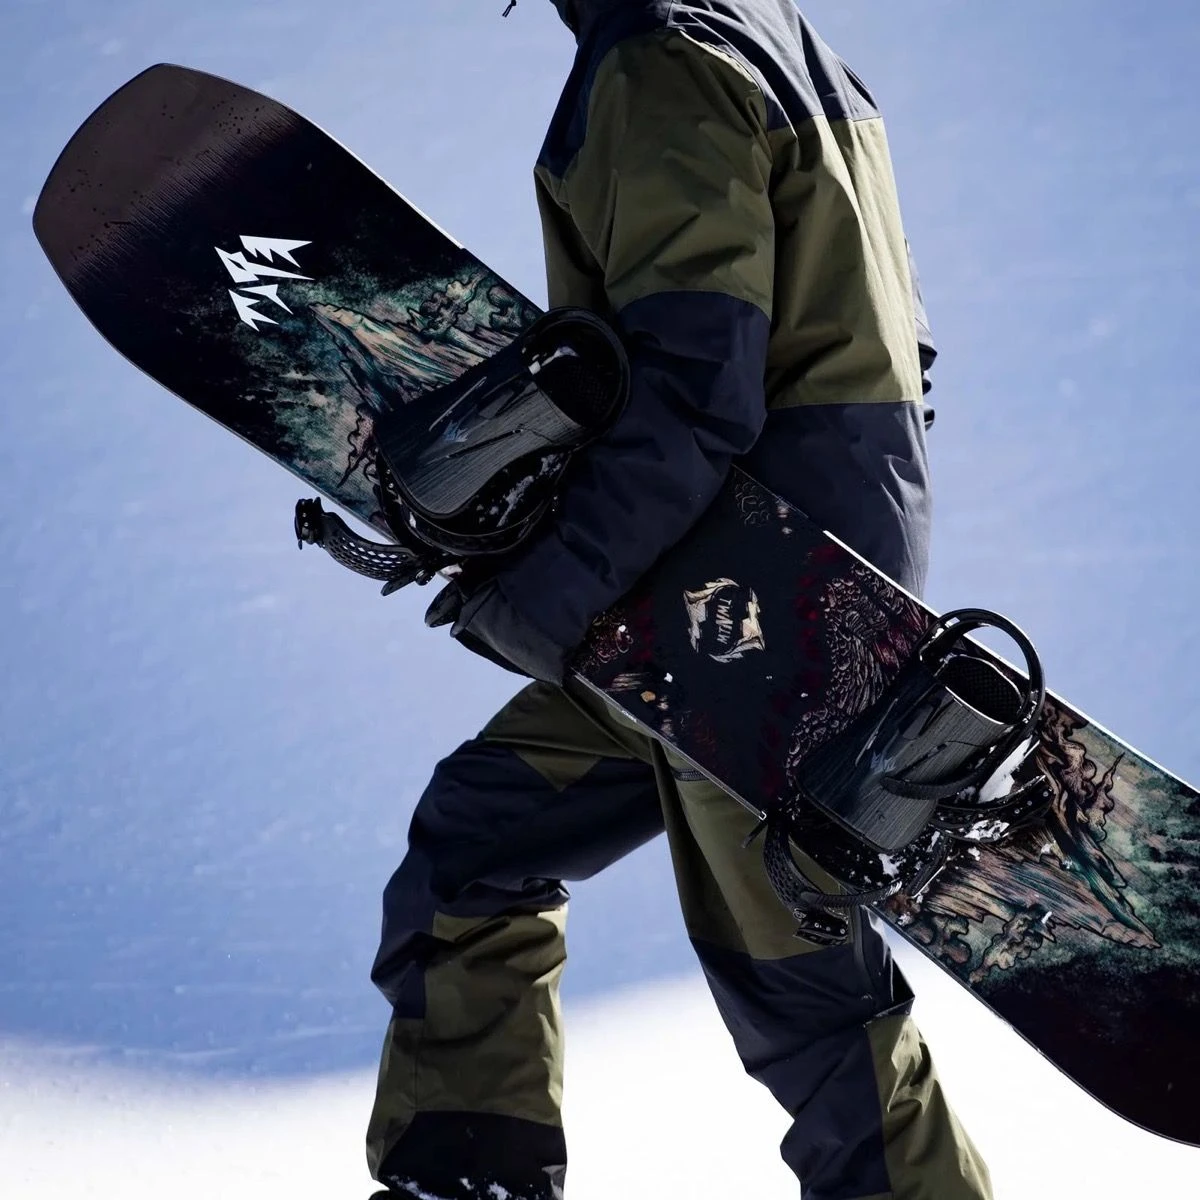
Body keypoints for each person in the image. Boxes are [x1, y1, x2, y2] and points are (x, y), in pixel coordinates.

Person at [367, 1, 992, 1197]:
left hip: (753, 603)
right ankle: (469, 1177)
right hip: (736, 580)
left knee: (801, 984)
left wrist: (549, 589)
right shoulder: (778, 39)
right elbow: (897, 351)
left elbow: (698, 378)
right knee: (476, 847)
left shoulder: (663, 57)